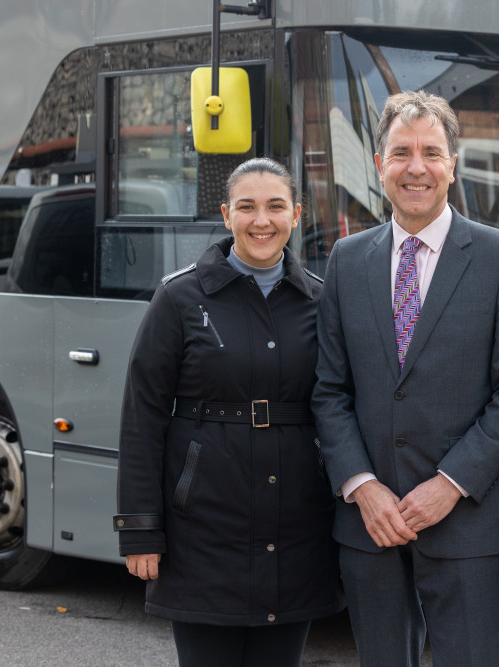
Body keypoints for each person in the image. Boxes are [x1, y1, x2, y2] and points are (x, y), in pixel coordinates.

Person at [311, 90, 499, 666]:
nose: (417, 167)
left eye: (432, 153)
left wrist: (450, 484)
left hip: (468, 524)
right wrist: (361, 486)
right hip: (371, 525)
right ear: (379, 166)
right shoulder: (346, 259)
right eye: (401, 152)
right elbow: (329, 390)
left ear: (452, 165)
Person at [113, 157, 344, 667]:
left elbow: (338, 408)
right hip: (203, 531)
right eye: (247, 207)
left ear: (297, 214)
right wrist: (140, 528)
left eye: (275, 206)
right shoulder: (179, 297)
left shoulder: (323, 302)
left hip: (295, 531)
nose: (262, 221)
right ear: (225, 215)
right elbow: (143, 415)